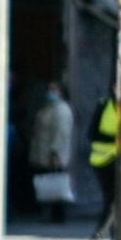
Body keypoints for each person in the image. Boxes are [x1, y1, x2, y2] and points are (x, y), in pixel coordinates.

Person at [28, 84, 75, 223]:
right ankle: (50, 213)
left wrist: (55, 152)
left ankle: (57, 215)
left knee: (54, 182)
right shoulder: (48, 107)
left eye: (54, 89)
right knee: (46, 182)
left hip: (53, 153)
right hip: (42, 150)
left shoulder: (61, 109)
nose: (50, 92)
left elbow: (61, 132)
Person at [88, 89, 121, 240]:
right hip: (103, 160)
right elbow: (92, 133)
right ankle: (99, 234)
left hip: (119, 159)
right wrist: (115, 139)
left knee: (114, 199)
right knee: (114, 199)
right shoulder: (104, 105)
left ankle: (115, 237)